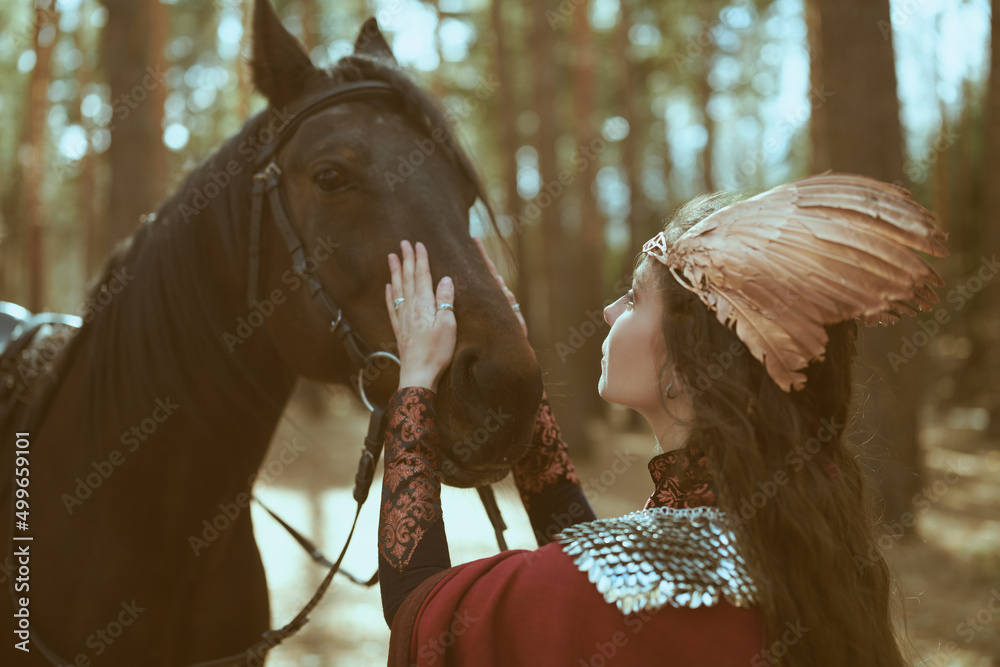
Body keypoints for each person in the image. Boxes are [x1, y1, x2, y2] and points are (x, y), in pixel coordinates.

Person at [377, 173, 948, 666]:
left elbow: (418, 610)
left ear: (688, 362)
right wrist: (521, 376)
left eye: (633, 297)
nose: (608, 312)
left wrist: (416, 383)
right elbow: (604, 563)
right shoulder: (804, 531)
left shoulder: (626, 583)